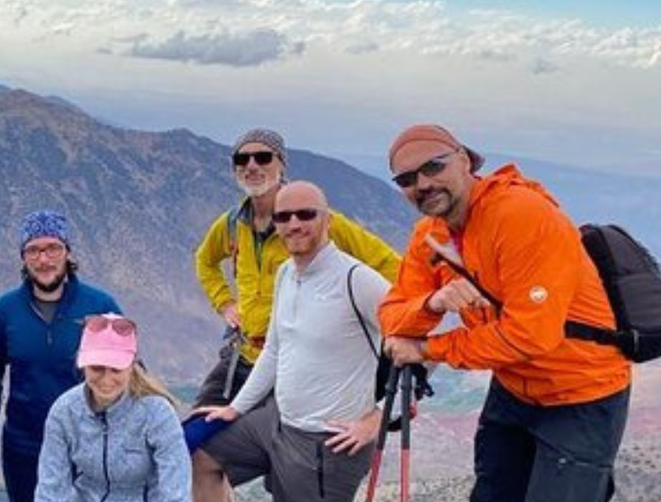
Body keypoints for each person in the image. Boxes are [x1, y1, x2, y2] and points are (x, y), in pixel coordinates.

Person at [377, 124, 630, 502]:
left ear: (464, 160)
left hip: (581, 392)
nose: (423, 183)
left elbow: (531, 335)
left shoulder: (521, 215)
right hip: (514, 389)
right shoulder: (430, 234)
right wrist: (432, 303)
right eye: (407, 178)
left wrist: (430, 349)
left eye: (433, 167)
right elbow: (392, 316)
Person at [191, 182, 388, 502]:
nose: (294, 224)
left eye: (306, 214)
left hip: (326, 443)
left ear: (329, 221)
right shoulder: (286, 273)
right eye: (283, 217)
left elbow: (420, 342)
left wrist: (379, 419)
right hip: (277, 422)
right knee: (200, 457)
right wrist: (235, 409)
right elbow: (274, 349)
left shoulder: (357, 280)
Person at [191, 128, 400, 409]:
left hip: (300, 363)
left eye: (263, 157)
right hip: (245, 354)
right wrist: (225, 303)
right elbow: (205, 260)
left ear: (281, 164)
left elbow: (389, 264)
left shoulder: (317, 220)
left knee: (273, 445)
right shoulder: (232, 224)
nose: (252, 165)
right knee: (196, 433)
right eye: (243, 159)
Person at [0, 210, 123, 502]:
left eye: (53, 248)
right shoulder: (5, 311)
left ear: (68, 252)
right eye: (33, 250)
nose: (44, 259)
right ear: (23, 257)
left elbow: (129, 374)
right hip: (24, 449)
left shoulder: (100, 305)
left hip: (89, 447)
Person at [34, 313, 190, 502]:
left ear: (132, 366)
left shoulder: (158, 413)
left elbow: (175, 492)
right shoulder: (64, 411)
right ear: (82, 365)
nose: (107, 379)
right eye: (97, 368)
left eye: (116, 369)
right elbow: (51, 490)